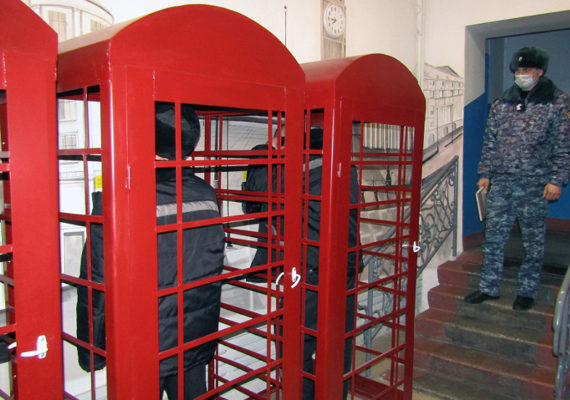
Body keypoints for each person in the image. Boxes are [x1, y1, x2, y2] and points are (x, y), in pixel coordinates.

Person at [76, 102, 225, 400]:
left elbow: (96, 281)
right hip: (194, 334)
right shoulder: (206, 193)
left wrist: (90, 351)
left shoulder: (121, 199)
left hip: (142, 342)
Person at [464, 46, 569, 311]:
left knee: (533, 241)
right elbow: (490, 140)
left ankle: (527, 291)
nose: (522, 74)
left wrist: (557, 180)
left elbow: (563, 144)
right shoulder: (503, 102)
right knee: (493, 238)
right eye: (519, 70)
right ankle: (488, 287)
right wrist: (485, 173)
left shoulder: (556, 102)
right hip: (502, 182)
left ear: (540, 71)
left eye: (527, 69)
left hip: (535, 183)